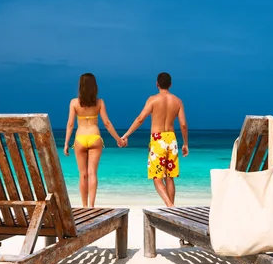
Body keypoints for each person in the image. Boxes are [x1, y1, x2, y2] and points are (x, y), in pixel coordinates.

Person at [121, 72, 188, 206]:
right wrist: (185, 143)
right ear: (170, 84)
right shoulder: (178, 101)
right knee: (170, 177)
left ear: (157, 84)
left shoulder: (152, 99)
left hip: (158, 139)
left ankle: (169, 205)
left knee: (157, 177)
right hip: (171, 139)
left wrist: (126, 135)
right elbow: (183, 124)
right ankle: (171, 209)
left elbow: (140, 119)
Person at [64, 73, 126, 207]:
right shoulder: (100, 102)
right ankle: (92, 205)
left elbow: (70, 124)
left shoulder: (74, 103)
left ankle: (84, 206)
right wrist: (118, 140)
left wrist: (66, 143)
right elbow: (107, 123)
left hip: (80, 138)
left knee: (82, 175)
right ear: (94, 87)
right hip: (95, 137)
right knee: (92, 173)